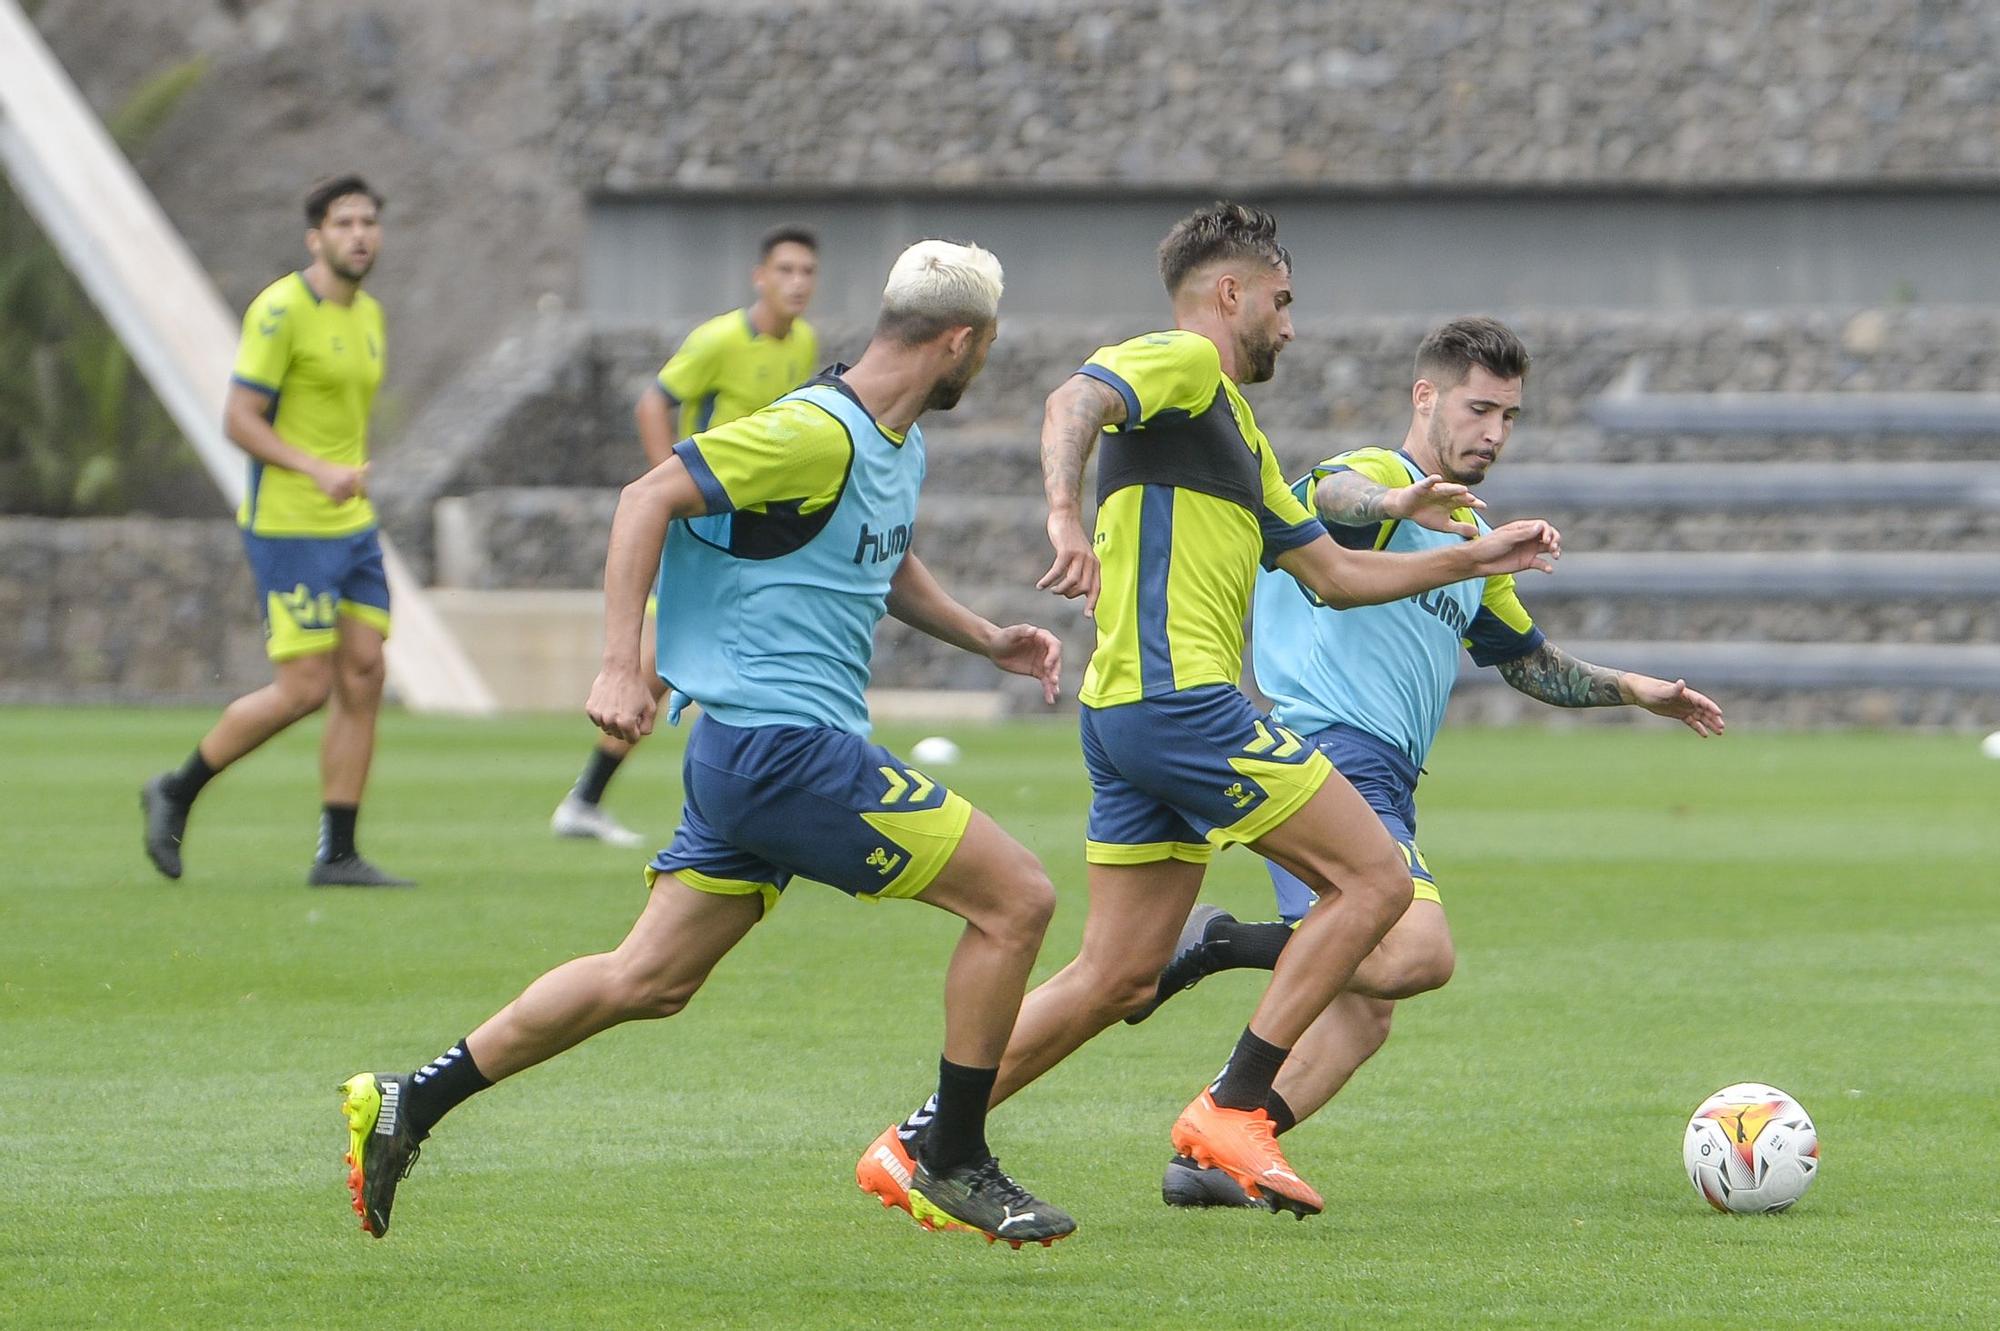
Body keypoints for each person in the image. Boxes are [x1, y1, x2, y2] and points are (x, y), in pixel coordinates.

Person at [340, 240, 1078, 1247]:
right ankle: (946, 1154)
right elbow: (647, 496)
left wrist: (984, 635)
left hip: (759, 758)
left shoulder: (895, 443)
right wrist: (615, 663)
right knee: (1018, 897)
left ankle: (407, 1101)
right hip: (783, 752)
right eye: (985, 346)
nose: (983, 361)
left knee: (647, 978)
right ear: (960, 340)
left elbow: (881, 558)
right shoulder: (813, 430)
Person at [856, 202, 1563, 1220]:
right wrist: (1062, 511)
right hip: (1180, 701)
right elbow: (1072, 400)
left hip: (1125, 716)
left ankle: (921, 1137)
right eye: (1280, 300)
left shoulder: (1238, 435)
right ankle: (1234, 1104)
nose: (1289, 324)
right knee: (1372, 883)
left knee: (1112, 974)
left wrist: (1469, 554)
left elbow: (1331, 571)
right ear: (1228, 293)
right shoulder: (1185, 363)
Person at [1129, 316, 1725, 1208]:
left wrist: (1639, 690)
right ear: (1426, 396)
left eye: (1510, 416)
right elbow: (1331, 495)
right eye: (1479, 407)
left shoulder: (1471, 549)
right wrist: (1399, 504)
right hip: (1328, 747)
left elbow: (1531, 665)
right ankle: (1219, 941)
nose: (1493, 431)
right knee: (1418, 951)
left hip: (1383, 774)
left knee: (1365, 1012)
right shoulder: (1385, 475)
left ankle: (1213, 1153)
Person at [140, 174, 411, 888]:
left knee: (365, 671)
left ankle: (339, 853)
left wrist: (346, 475)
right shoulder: (281, 310)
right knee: (302, 689)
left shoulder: (371, 316)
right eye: (344, 222)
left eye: (368, 221)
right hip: (290, 525)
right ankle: (178, 787)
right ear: (314, 236)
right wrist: (314, 468)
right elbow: (238, 419)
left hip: (353, 526)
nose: (359, 234)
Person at [552, 225, 822, 846]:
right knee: (666, 665)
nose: (798, 283)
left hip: (753, 528)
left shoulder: (802, 342)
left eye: (807, 272)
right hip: (706, 523)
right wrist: (669, 490)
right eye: (785, 270)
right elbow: (655, 401)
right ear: (760, 276)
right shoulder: (721, 339)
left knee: (713, 659)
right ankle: (589, 799)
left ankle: (748, 800)